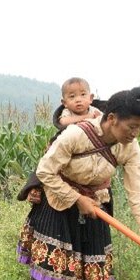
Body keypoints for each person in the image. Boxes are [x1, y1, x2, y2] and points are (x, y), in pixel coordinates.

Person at [16, 83, 140, 280]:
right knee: (50, 254)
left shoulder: (130, 148)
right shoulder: (75, 135)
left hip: (97, 203)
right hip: (59, 196)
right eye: (132, 126)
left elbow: (139, 195)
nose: (136, 133)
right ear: (111, 119)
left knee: (95, 263)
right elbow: (45, 171)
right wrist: (76, 199)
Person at [17, 77, 105, 205]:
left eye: (83, 95)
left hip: (90, 142)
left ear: (91, 98)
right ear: (64, 102)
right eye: (72, 97)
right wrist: (87, 118)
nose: (78, 99)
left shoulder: (95, 111)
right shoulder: (67, 112)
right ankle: (33, 187)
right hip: (66, 140)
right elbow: (63, 122)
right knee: (47, 161)